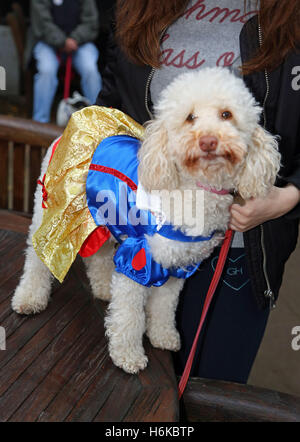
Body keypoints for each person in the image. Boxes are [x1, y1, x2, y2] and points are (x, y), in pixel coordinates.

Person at [95, 0, 300, 384]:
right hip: (145, 232)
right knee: (131, 388)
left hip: (238, 252)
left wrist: (287, 197)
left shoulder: (290, 17)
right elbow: (111, 107)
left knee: (208, 391)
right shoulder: (136, 8)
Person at [25, 0, 102, 123]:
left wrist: (75, 39)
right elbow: (42, 23)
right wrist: (61, 41)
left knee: (90, 69)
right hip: (47, 42)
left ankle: (100, 120)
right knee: (46, 70)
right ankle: (39, 122)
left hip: (80, 43)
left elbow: (91, 22)